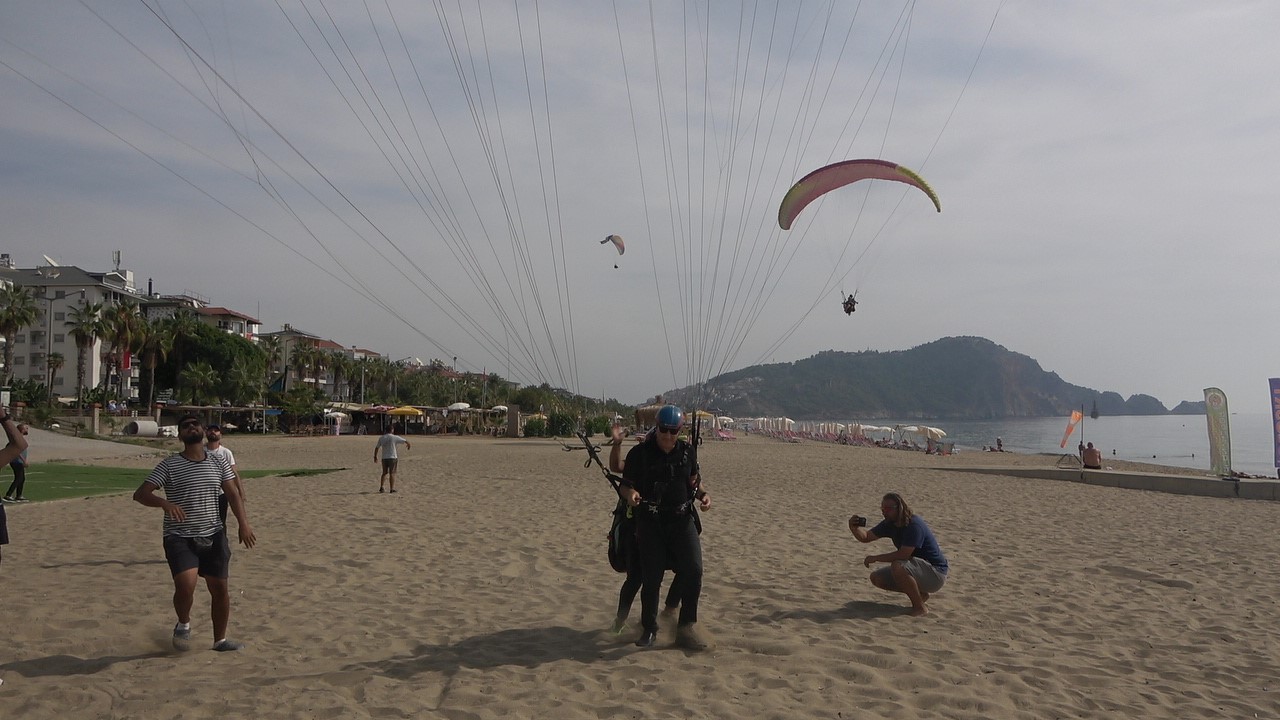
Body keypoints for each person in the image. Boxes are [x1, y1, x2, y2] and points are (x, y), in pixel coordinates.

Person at [133, 414, 256, 651]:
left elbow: (232, 494)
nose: (191, 427)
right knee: (185, 585)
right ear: (180, 435)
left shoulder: (218, 462)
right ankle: (183, 623)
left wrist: (244, 524)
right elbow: (140, 494)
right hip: (179, 535)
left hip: (213, 533)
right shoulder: (169, 465)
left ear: (203, 431)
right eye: (185, 426)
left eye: (195, 424)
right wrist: (164, 503)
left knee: (220, 589)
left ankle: (220, 640)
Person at [619, 405, 712, 650]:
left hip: (682, 520)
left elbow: (694, 481)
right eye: (664, 430)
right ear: (656, 427)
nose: (668, 436)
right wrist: (631, 494)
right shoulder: (640, 454)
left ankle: (686, 627)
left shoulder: (687, 452)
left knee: (693, 569)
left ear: (680, 431)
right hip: (651, 522)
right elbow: (625, 485)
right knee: (652, 578)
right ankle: (649, 628)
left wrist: (703, 496)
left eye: (673, 431)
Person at [607, 423, 681, 634]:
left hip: (667, 527)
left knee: (687, 568)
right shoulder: (641, 458)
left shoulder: (673, 458)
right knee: (636, 578)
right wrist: (617, 444)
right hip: (638, 527)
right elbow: (617, 467)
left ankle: (669, 610)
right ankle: (620, 622)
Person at [849, 492, 948, 617]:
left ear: (899, 508)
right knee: (877, 578)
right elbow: (866, 537)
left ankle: (920, 608)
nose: (884, 512)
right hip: (917, 569)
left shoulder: (913, 525)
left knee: (898, 565)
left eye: (888, 509)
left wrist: (875, 558)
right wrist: (854, 528)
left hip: (936, 573)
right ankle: (920, 595)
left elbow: (903, 555)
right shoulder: (889, 523)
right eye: (883, 509)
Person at [0, 409, 30, 566]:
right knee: (19, 479)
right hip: (16, 462)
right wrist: (4, 418)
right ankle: (12, 494)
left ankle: (16, 495)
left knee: (20, 479)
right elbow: (19, 445)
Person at [204, 423, 243, 524]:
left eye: (216, 430)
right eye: (210, 430)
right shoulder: (201, 451)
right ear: (206, 433)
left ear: (220, 434)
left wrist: (240, 492)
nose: (213, 432)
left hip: (221, 493)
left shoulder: (226, 452)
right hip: (204, 494)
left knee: (221, 522)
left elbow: (234, 473)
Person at [374, 424, 411, 493]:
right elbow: (406, 441)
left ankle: (381, 487)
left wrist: (375, 456)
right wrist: (408, 445)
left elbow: (377, 447)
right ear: (392, 430)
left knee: (384, 473)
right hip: (392, 457)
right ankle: (391, 488)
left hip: (384, 457)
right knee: (392, 473)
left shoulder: (382, 438)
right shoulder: (394, 437)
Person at [3, 423, 30, 502]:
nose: (27, 430)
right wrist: (24, 460)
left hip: (19, 462)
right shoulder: (17, 439)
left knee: (22, 478)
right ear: (22, 430)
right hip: (16, 462)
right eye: (26, 428)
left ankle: (19, 495)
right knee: (19, 478)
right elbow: (16, 451)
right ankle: (8, 495)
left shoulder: (20, 439)